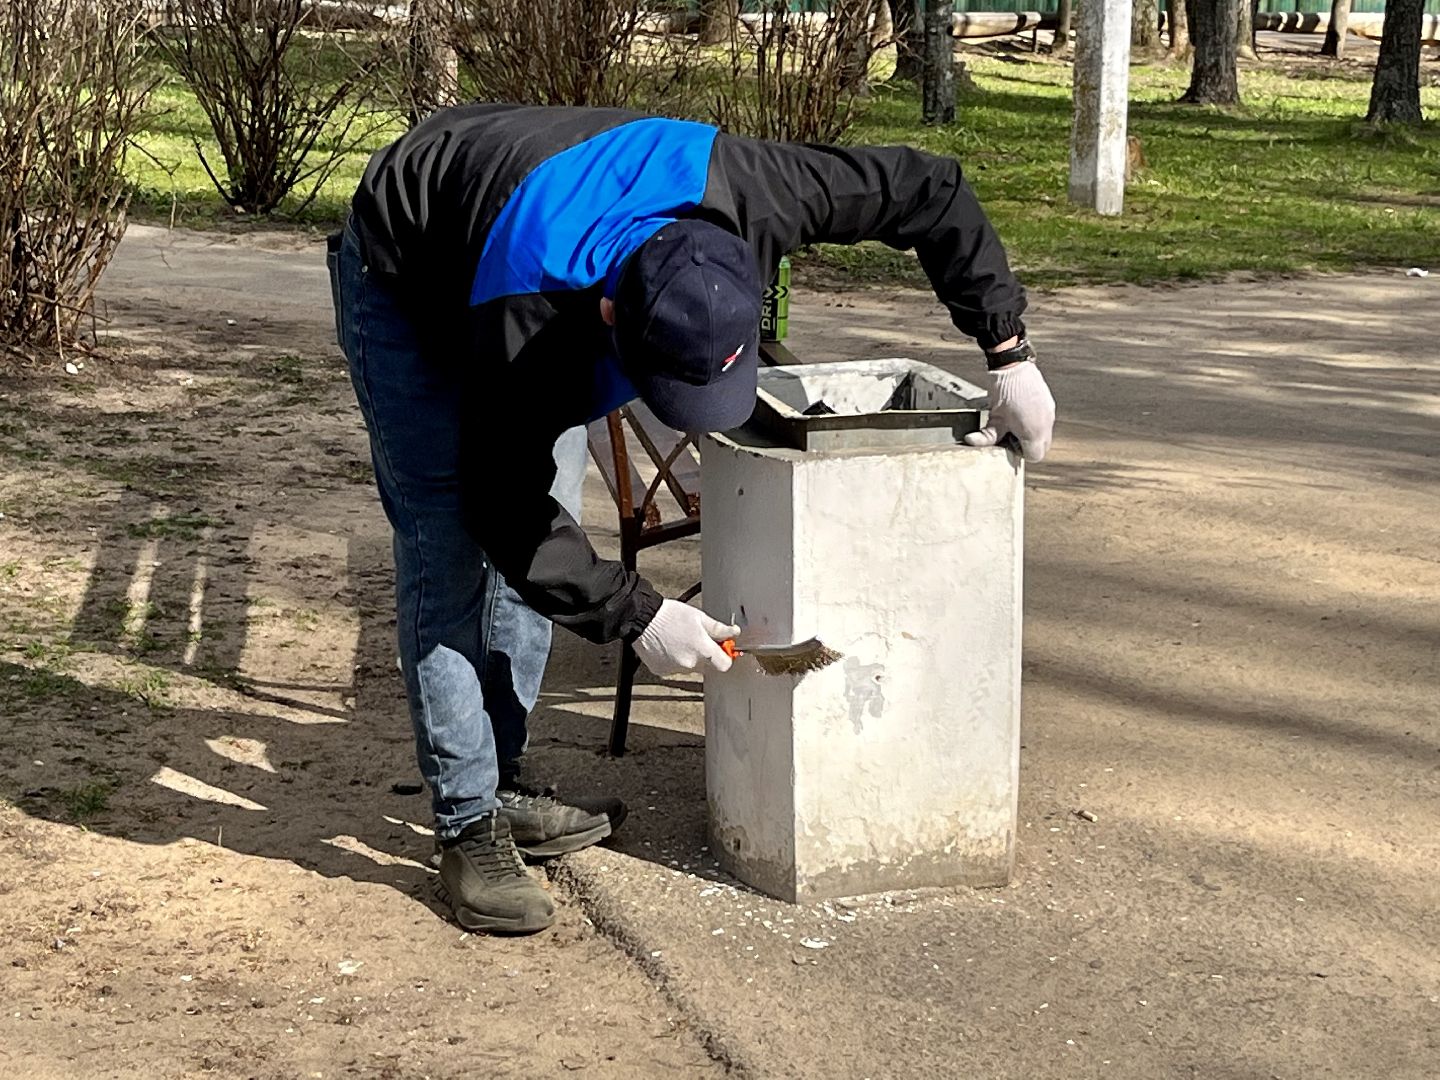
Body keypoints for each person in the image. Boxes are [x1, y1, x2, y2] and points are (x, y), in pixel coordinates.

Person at [328, 102, 1056, 934]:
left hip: (531, 201)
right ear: (611, 319)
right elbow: (500, 504)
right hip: (406, 259)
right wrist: (635, 614)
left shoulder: (767, 195)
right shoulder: (528, 320)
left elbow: (932, 189)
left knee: (547, 513)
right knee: (453, 536)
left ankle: (504, 778)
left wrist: (1008, 351)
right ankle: (466, 824)